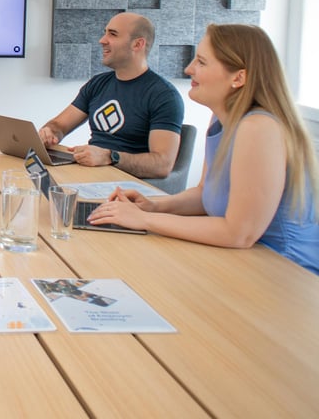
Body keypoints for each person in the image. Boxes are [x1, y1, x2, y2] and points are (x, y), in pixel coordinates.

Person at [89, 23, 318, 275]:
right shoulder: (221, 120)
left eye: (201, 62)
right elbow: (204, 194)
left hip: (288, 273)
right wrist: (153, 206)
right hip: (245, 260)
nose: (188, 69)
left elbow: (239, 233)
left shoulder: (258, 127)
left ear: (239, 77)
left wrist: (144, 219)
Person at [38, 12, 184, 179]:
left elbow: (162, 165)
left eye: (112, 34)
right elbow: (60, 124)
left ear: (137, 44)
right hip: (90, 175)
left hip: (127, 188)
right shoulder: (98, 84)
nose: (102, 40)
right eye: (105, 32)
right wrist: (50, 131)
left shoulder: (164, 95)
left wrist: (110, 156)